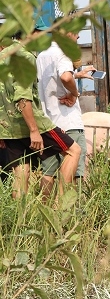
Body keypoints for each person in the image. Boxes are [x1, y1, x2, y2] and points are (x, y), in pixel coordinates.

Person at [0, 35, 81, 199]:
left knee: (21, 172)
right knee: (73, 151)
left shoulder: (4, 55)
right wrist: (34, 130)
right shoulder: (26, 56)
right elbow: (23, 98)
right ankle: (60, 209)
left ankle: (20, 219)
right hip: (31, 121)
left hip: (9, 126)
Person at [36, 22, 95, 197]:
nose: (77, 38)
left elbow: (52, 77)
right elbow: (64, 76)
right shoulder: (64, 53)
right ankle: (65, 209)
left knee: (48, 171)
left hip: (49, 122)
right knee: (75, 167)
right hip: (68, 120)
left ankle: (43, 210)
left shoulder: (42, 55)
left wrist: (78, 74)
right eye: (76, 34)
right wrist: (75, 93)